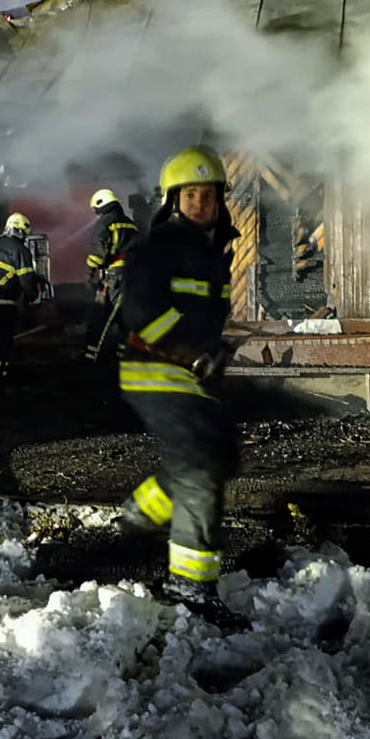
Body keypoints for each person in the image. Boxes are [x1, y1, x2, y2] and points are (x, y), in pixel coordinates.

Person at [114, 146, 245, 628]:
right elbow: (141, 312)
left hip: (192, 372)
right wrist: (187, 350)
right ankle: (190, 587)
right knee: (200, 465)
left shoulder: (213, 254)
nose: (199, 203)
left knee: (222, 453)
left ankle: (141, 512)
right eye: (190, 194)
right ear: (172, 200)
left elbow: (206, 315)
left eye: (207, 195)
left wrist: (214, 349)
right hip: (153, 369)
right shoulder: (159, 247)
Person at [0, 212, 43, 380]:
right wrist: (33, 296)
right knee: (3, 342)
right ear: (20, 231)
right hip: (3, 302)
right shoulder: (21, 250)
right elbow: (26, 280)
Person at [82, 187, 138, 362]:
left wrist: (90, 270)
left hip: (116, 275)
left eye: (96, 210)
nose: (97, 214)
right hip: (133, 275)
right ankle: (123, 355)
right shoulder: (131, 223)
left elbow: (98, 251)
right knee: (125, 317)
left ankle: (91, 355)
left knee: (103, 315)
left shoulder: (105, 222)